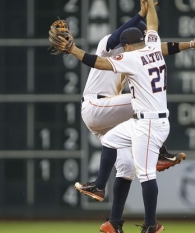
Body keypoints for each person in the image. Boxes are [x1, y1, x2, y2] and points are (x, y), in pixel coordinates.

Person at [58, 0, 172, 231]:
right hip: (103, 108)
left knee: (133, 169)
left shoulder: (135, 56)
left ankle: (130, 224)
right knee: (132, 113)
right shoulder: (133, 47)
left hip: (128, 119)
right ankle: (154, 155)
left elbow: (99, 61)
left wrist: (73, 50)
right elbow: (143, 29)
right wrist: (146, 9)